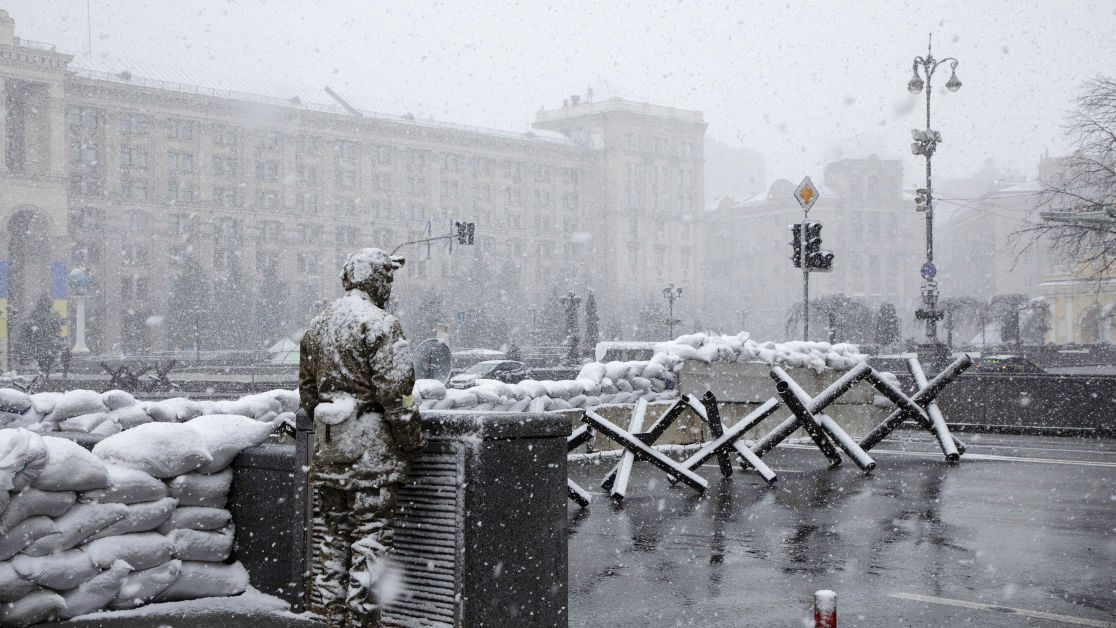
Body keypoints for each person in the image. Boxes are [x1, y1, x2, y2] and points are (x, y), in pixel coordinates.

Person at [299, 248, 424, 627]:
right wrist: (411, 439)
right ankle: (363, 622)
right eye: (387, 278)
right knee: (369, 545)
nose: (389, 286)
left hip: (329, 452)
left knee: (332, 541)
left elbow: (308, 396)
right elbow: (397, 395)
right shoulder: (383, 325)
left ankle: (330, 617)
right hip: (372, 457)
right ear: (375, 280)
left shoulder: (317, 326)